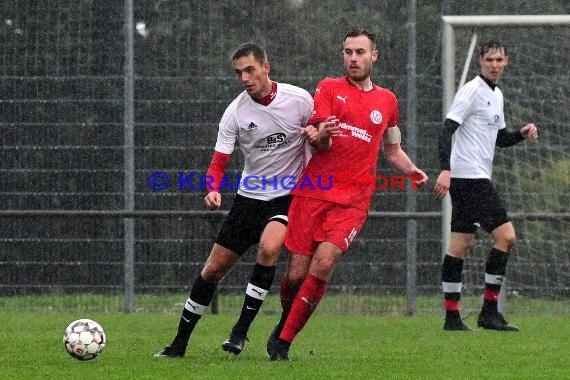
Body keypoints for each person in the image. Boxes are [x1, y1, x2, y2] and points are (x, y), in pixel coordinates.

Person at [266, 28, 429, 361]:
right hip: (313, 194)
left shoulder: (388, 101)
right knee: (295, 276)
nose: (353, 58)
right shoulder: (328, 88)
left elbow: (393, 149)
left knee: (324, 263)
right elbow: (317, 139)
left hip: (353, 202)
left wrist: (411, 169)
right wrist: (321, 134)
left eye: (359, 52)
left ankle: (283, 342)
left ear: (374, 56)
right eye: (348, 52)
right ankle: (286, 319)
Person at [154, 42, 314, 357]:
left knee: (269, 248)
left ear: (266, 67)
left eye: (250, 70)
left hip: (287, 197)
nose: (244, 78)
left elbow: (320, 135)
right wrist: (212, 187)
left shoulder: (300, 100)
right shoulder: (236, 112)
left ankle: (239, 333)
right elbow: (218, 162)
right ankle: (179, 344)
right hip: (248, 201)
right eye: (238, 72)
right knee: (212, 270)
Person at [433, 40, 538, 332]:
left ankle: (452, 319)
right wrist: (445, 169)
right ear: (481, 60)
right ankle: (489, 312)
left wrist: (522, 133)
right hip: (470, 178)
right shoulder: (471, 91)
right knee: (507, 237)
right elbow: (447, 130)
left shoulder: (497, 94)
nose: (494, 64)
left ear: (506, 62)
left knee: (460, 244)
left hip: (474, 177)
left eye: (499, 60)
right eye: (489, 59)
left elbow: (500, 138)